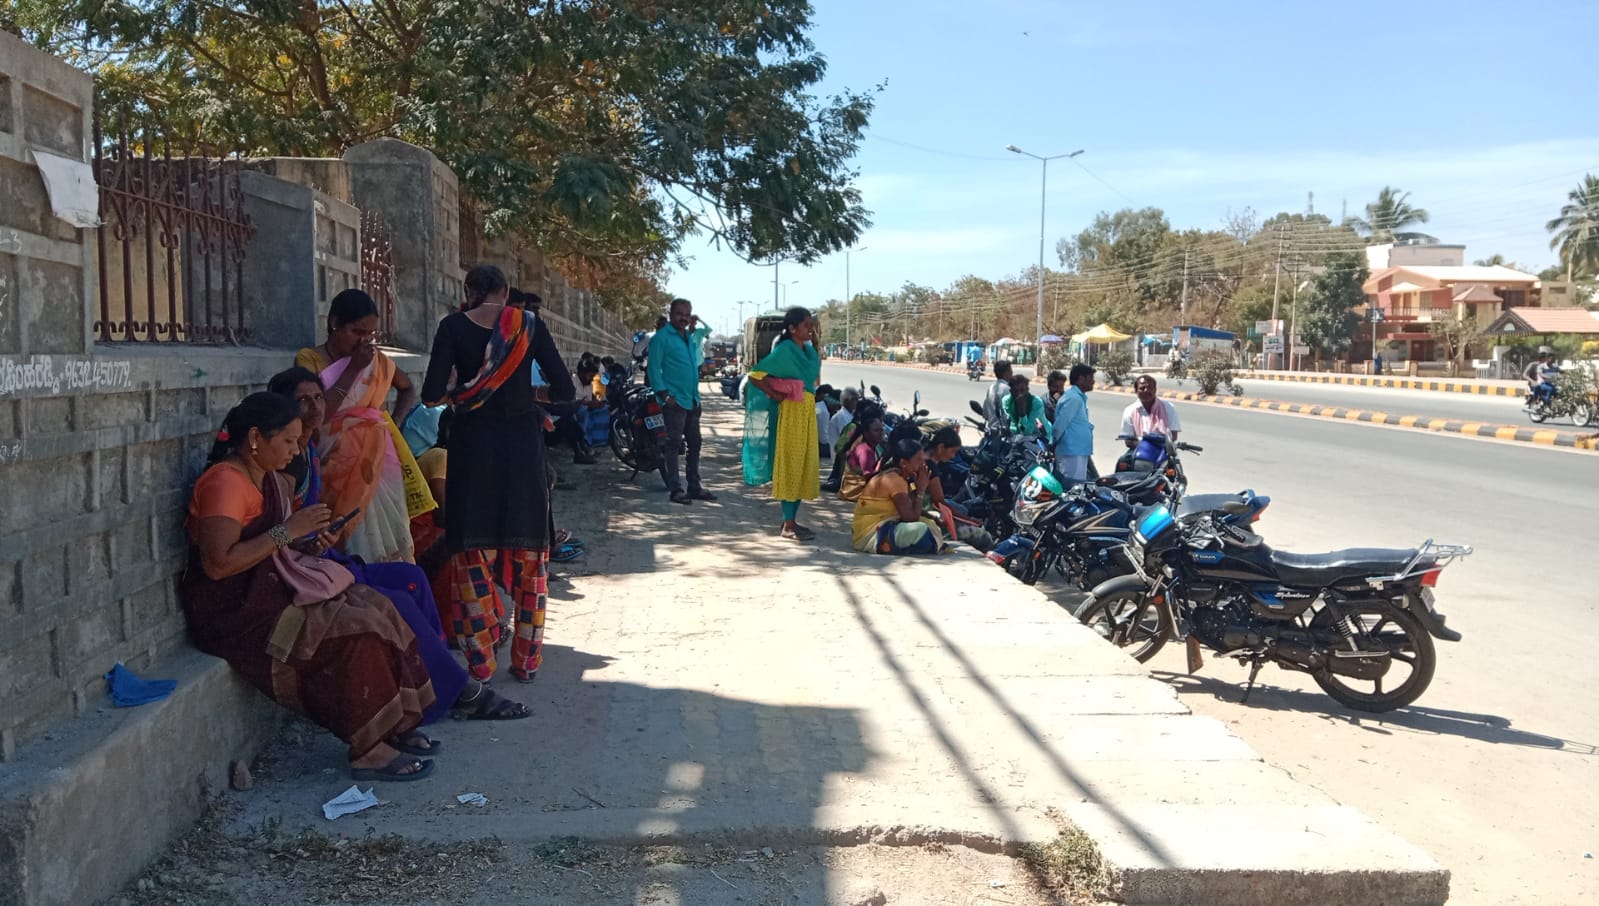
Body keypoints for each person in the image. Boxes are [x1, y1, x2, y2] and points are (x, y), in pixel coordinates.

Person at [180, 393, 438, 781]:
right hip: (235, 607)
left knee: (377, 607)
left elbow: (271, 543)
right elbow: (219, 565)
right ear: (255, 439)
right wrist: (288, 532)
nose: (294, 450)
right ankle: (368, 750)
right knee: (355, 632)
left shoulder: (268, 478)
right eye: (287, 440)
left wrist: (306, 542)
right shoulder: (225, 483)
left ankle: (393, 725)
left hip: (268, 584)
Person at [265, 372, 524, 725]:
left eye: (318, 398)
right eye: (303, 400)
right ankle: (455, 691)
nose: (314, 407)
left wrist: (316, 537)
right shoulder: (285, 464)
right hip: (296, 570)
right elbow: (275, 531)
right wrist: (300, 540)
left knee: (411, 577)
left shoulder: (307, 450)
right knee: (397, 600)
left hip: (318, 557)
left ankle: (432, 679)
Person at [421, 264, 573, 684]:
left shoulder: (451, 327)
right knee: (530, 560)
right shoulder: (528, 326)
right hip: (522, 453)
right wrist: (530, 393)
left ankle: (482, 664)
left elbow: (431, 395)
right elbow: (564, 391)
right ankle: (526, 662)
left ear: (468, 291)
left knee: (473, 555)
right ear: (505, 293)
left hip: (472, 453)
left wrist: (459, 391)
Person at [295, 289, 431, 563]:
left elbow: (407, 388)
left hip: (377, 461)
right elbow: (318, 414)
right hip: (330, 461)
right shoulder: (309, 360)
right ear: (335, 323)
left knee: (388, 536)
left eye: (370, 334)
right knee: (340, 538)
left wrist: (394, 423)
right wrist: (353, 369)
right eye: (357, 332)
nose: (364, 341)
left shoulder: (376, 361)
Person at [743, 306, 822, 541]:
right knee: (791, 464)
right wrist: (774, 393)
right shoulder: (785, 350)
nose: (811, 329)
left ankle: (792, 520)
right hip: (791, 414)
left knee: (803, 465)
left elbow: (814, 378)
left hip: (806, 412)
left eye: (811, 325)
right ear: (792, 328)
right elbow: (755, 374)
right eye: (806, 325)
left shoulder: (808, 351)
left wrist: (816, 343)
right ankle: (788, 525)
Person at [648, 297, 717, 505]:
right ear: (670, 314)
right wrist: (665, 396)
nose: (683, 318)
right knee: (673, 445)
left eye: (687, 315)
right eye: (679, 314)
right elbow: (653, 369)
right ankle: (676, 489)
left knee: (695, 443)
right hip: (674, 402)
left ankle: (694, 486)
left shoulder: (689, 337)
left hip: (692, 399)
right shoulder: (661, 338)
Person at [851, 438, 945, 555]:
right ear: (904, 463)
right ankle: (885, 545)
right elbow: (910, 518)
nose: (923, 465)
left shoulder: (903, 477)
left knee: (930, 523)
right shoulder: (895, 480)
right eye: (919, 460)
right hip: (871, 534)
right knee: (921, 529)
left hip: (887, 525)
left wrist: (932, 518)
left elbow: (912, 507)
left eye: (923, 460)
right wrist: (921, 490)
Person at [1053, 363, 1096, 483]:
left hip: (1077, 451)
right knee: (1072, 488)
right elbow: (1059, 427)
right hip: (1071, 453)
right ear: (1081, 379)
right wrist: (1053, 444)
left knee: (1078, 486)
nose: (1093, 381)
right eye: (1090, 378)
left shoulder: (1077, 397)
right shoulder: (1073, 399)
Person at [834, 404, 885, 502]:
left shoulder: (868, 442)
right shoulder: (864, 449)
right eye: (876, 430)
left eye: (881, 430)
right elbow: (869, 475)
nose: (881, 433)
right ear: (866, 432)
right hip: (855, 491)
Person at [1119, 374, 1182, 447]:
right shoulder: (1129, 411)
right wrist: (1145, 445)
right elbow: (1128, 440)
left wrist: (1156, 444)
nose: (1146, 390)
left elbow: (1173, 436)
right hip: (1139, 450)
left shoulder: (1168, 407)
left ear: (1155, 390)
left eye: (1149, 387)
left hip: (1164, 449)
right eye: (1142, 388)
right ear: (1136, 391)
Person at [1001, 374, 1051, 439]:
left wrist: (1022, 413)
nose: (1019, 394)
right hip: (1018, 438)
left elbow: (1028, 431)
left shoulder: (1036, 402)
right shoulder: (1007, 401)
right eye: (1015, 391)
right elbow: (1012, 425)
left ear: (1027, 390)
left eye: (1022, 390)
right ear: (1011, 391)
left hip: (1041, 436)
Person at [814, 384, 843, 465]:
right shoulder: (823, 412)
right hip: (816, 445)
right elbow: (823, 439)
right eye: (838, 407)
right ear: (833, 403)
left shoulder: (820, 406)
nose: (838, 410)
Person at [982, 360, 1014, 431]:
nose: (1012, 373)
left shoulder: (991, 387)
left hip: (991, 430)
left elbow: (985, 414)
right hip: (1005, 431)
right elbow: (1011, 415)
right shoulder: (1008, 389)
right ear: (1006, 373)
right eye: (1010, 371)